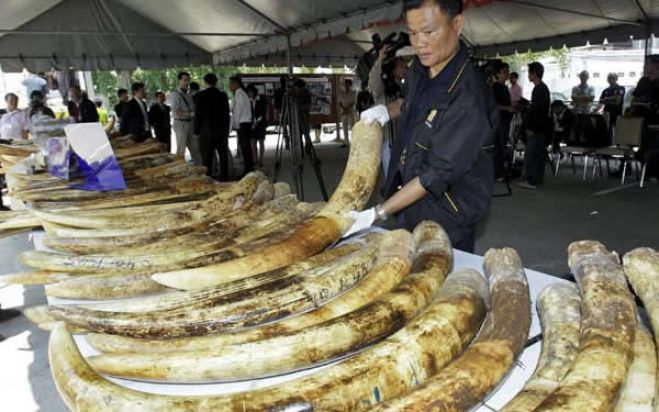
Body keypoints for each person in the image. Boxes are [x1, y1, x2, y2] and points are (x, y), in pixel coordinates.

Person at [354, 0, 498, 253]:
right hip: (409, 197)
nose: (419, 42)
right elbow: (411, 101)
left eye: (429, 32)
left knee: (441, 283)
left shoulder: (469, 96)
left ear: (457, 24)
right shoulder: (420, 67)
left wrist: (377, 213)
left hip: (448, 213)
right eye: (412, 32)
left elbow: (435, 174)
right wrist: (386, 112)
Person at [369, 47, 407, 179]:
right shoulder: (382, 88)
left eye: (405, 66)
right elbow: (373, 80)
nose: (404, 69)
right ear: (393, 69)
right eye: (401, 67)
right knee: (391, 175)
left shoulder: (402, 87)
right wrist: (380, 60)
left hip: (401, 138)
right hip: (387, 139)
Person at [518, 62, 551, 190]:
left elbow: (538, 111)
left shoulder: (539, 89)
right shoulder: (542, 88)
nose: (528, 75)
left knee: (532, 154)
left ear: (535, 74)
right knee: (537, 154)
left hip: (536, 128)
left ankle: (531, 180)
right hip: (541, 127)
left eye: (529, 73)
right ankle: (537, 180)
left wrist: (531, 128)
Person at [194, 74, 231, 180]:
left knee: (207, 157)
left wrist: (196, 130)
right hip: (221, 131)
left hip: (206, 132)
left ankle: (208, 178)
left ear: (205, 82)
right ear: (216, 82)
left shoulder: (200, 95)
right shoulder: (222, 95)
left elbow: (198, 115)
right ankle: (224, 177)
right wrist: (226, 130)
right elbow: (226, 114)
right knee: (223, 156)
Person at [170, 72, 201, 164]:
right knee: (181, 150)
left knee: (195, 149)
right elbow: (176, 111)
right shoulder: (175, 94)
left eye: (188, 80)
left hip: (190, 123)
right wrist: (191, 114)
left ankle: (201, 170)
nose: (186, 82)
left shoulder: (188, 95)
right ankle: (180, 172)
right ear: (179, 81)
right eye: (184, 80)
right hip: (180, 123)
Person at [491, 61, 513, 180]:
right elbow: (493, 105)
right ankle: (497, 173)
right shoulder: (494, 87)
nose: (507, 74)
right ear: (497, 74)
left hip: (505, 121)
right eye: (504, 72)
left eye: (507, 72)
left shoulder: (505, 87)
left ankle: (499, 171)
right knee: (497, 147)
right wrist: (506, 108)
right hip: (497, 121)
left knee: (502, 146)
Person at [229, 76, 254, 176]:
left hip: (243, 124)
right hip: (245, 123)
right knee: (245, 147)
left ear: (236, 84)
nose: (229, 86)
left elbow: (237, 111)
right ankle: (249, 168)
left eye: (231, 84)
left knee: (245, 148)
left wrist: (235, 124)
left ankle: (248, 170)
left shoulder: (239, 94)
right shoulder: (241, 93)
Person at [598, 73, 625, 140]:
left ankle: (619, 144)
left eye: (613, 78)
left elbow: (617, 102)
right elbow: (601, 101)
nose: (610, 79)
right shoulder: (605, 90)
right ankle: (609, 144)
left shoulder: (620, 88)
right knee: (607, 129)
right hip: (607, 112)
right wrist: (612, 99)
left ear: (616, 79)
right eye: (609, 78)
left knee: (618, 130)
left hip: (617, 112)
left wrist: (606, 99)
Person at [247, 85, 267, 168]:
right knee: (252, 142)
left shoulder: (261, 100)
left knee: (261, 141)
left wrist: (257, 122)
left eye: (250, 92)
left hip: (261, 124)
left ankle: (261, 159)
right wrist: (252, 123)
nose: (249, 94)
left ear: (254, 92)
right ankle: (255, 159)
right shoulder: (248, 101)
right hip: (251, 124)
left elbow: (263, 112)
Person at [337, 78, 356, 146]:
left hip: (350, 111)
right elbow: (339, 102)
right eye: (345, 84)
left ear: (350, 85)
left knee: (353, 126)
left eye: (348, 84)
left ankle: (354, 141)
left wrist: (347, 109)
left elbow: (353, 102)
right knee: (344, 127)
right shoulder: (341, 92)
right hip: (343, 111)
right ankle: (346, 142)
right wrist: (344, 108)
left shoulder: (353, 92)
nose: (346, 85)